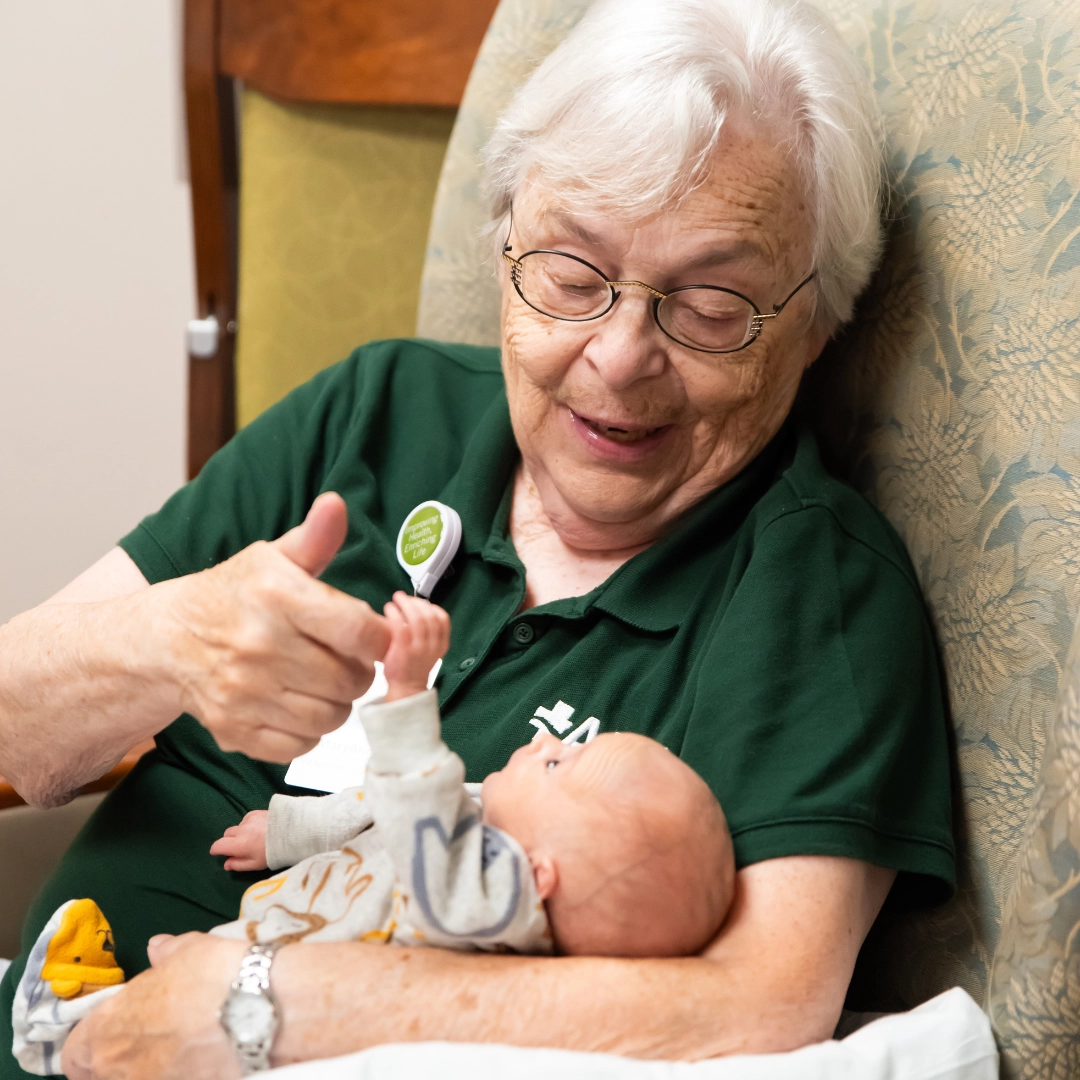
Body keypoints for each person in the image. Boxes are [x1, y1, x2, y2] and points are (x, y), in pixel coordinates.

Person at [0, 0, 955, 1075]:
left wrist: (264, 1004)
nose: (619, 356)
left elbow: (758, 1004)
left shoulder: (814, 596)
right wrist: (171, 639)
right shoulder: (373, 412)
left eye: (710, 305)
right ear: (505, 250)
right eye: (572, 273)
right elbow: (15, 730)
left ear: (815, 326)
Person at [12, 595, 732, 1074]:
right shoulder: (478, 817)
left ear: (538, 875)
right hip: (272, 930)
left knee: (173, 1011)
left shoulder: (485, 902)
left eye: (558, 764)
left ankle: (62, 1028)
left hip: (287, 977)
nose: (551, 743)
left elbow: (413, 796)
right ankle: (121, 994)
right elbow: (372, 806)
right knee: (182, 977)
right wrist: (288, 832)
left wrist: (408, 694)